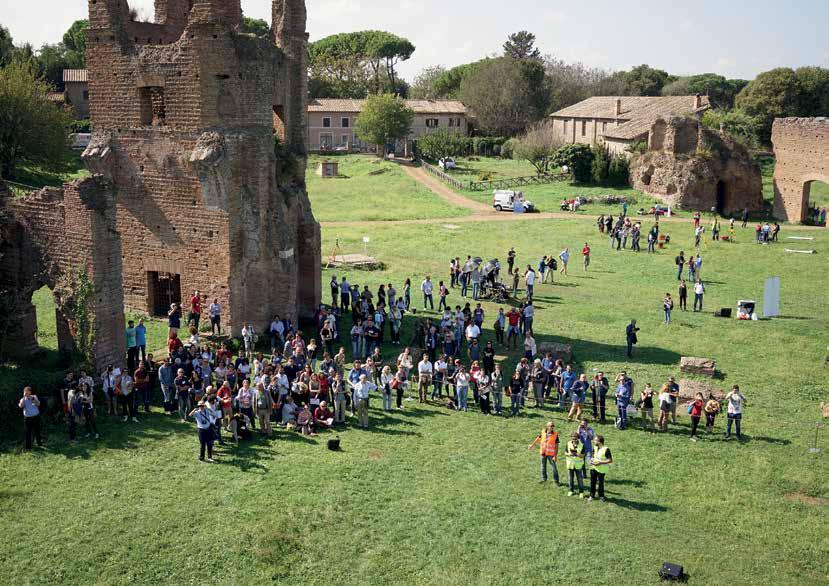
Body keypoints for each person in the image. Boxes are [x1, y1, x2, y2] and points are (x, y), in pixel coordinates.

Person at [588, 435, 612, 502]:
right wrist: (591, 460)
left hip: (601, 469)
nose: (594, 441)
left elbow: (610, 460)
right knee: (592, 482)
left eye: (595, 440)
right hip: (593, 467)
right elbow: (593, 455)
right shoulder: (595, 447)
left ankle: (601, 496)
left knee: (600, 483)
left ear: (599, 441)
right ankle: (591, 496)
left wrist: (600, 463)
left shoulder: (606, 449)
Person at [564, 431, 585, 497]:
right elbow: (565, 453)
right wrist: (569, 454)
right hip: (570, 464)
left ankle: (581, 492)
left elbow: (583, 455)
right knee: (570, 479)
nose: (574, 440)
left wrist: (577, 454)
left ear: (578, 438)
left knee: (580, 479)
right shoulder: (568, 443)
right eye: (573, 439)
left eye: (575, 439)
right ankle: (571, 490)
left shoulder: (581, 445)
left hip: (578, 465)